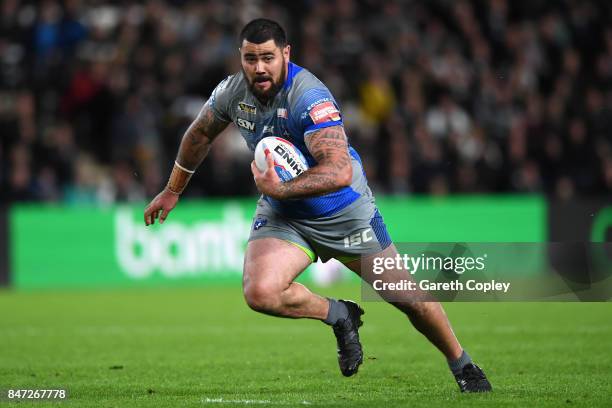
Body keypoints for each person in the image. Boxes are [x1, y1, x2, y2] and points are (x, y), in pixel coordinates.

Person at [144, 18, 491, 393]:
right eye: (249, 58)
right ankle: (339, 314)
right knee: (260, 292)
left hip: (343, 213)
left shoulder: (309, 97)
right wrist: (173, 189)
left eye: (267, 58)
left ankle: (462, 363)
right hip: (285, 215)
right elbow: (199, 134)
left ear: (286, 55)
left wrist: (282, 189)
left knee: (410, 301)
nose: (258, 68)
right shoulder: (232, 93)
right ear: (240, 58)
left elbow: (339, 172)